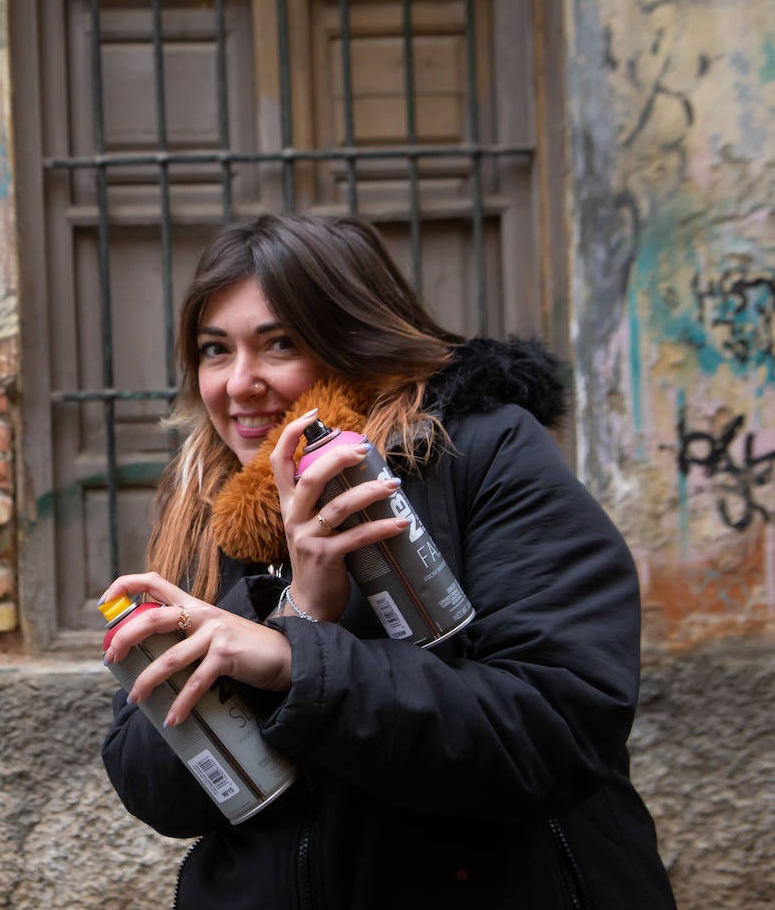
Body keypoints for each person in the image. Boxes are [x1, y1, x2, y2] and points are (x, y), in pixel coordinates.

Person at [99, 214, 676, 908]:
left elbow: (557, 728)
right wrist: (298, 611)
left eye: (279, 344)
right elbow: (156, 788)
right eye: (215, 350)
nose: (238, 383)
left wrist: (295, 660)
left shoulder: (477, 454)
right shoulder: (207, 507)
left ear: (354, 342)